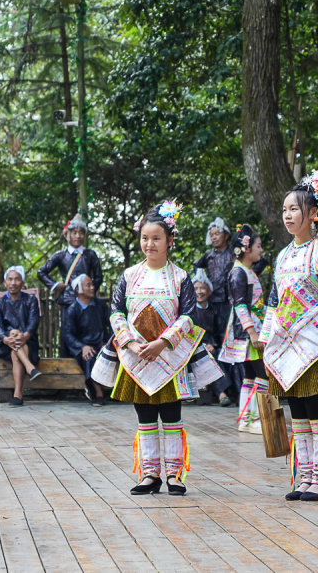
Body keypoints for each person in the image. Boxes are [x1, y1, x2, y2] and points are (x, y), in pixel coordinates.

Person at [91, 201, 224, 496]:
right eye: (145, 238)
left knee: (172, 414)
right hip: (137, 355)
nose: (149, 244)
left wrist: (164, 342)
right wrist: (131, 342)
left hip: (170, 356)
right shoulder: (128, 276)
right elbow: (115, 312)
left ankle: (175, 475)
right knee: (145, 416)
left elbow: (188, 314)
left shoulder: (181, 278)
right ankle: (149, 474)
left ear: (170, 241)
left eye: (156, 238)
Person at [258, 170, 318, 502]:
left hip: (317, 344)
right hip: (285, 347)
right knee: (297, 415)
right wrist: (266, 342)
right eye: (284, 210)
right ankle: (303, 477)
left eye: (294, 209)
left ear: (313, 214)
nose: (287, 215)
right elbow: (273, 300)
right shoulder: (282, 257)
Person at [220, 224, 271, 435]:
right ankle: (256, 418)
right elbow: (240, 305)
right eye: (258, 246)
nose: (261, 250)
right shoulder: (238, 273)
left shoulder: (247, 271)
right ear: (247, 248)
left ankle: (246, 419)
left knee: (251, 375)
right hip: (248, 332)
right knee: (263, 375)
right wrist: (252, 333)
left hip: (253, 329)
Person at [37, 214, 103, 357]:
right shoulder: (60, 255)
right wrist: (55, 285)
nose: (78, 236)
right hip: (67, 302)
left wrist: (89, 292)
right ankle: (66, 367)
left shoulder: (90, 255)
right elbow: (41, 272)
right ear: (67, 235)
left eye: (81, 233)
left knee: (87, 332)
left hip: (86, 303)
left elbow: (98, 277)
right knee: (67, 334)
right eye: (74, 233)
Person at [194, 218, 236, 398]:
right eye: (211, 235)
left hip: (227, 301)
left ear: (226, 235)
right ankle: (222, 391)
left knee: (226, 339)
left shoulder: (233, 253)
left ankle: (232, 389)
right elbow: (197, 265)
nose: (214, 237)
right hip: (213, 301)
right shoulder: (209, 255)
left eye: (217, 234)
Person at [0, 266, 42, 406]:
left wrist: (24, 336)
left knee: (16, 351)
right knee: (14, 334)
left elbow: (33, 322)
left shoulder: (31, 300)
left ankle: (18, 395)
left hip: (28, 343)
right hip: (5, 345)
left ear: (23, 283)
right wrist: (7, 338)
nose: (13, 283)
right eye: (10, 279)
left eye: (17, 279)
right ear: (5, 283)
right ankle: (30, 368)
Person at [61, 274, 111, 406]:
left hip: (102, 344)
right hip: (84, 347)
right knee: (90, 357)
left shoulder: (100, 305)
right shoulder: (72, 310)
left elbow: (111, 323)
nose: (92, 287)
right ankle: (97, 394)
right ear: (78, 289)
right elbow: (67, 334)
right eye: (88, 285)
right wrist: (82, 346)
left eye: (92, 284)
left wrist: (110, 343)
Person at [189, 269, 225, 405]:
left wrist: (215, 346)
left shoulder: (215, 310)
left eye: (203, 288)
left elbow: (219, 331)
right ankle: (222, 394)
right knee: (205, 357)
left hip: (211, 346)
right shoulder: (190, 311)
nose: (199, 292)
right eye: (196, 288)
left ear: (209, 291)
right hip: (195, 347)